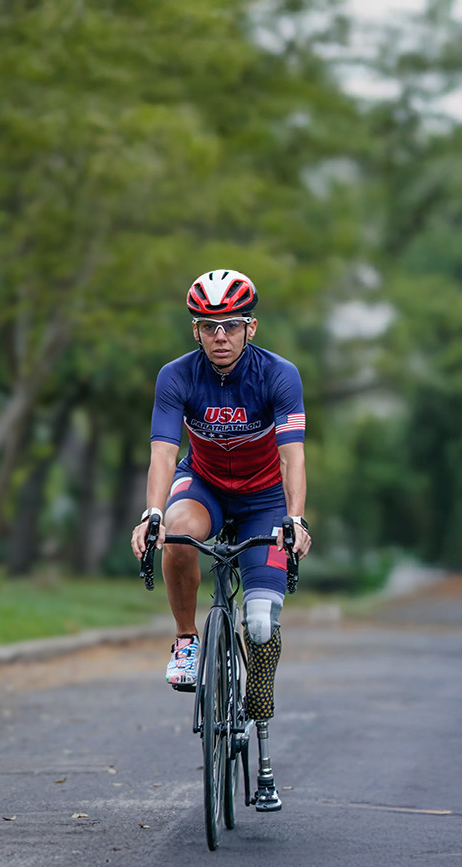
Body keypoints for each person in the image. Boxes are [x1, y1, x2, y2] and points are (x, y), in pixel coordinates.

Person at [129, 269, 313, 812]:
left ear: (250, 328)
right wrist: (153, 512)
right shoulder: (176, 377)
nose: (220, 337)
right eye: (209, 327)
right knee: (178, 534)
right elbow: (164, 450)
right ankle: (188, 638)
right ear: (196, 332)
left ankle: (260, 732)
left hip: (265, 501)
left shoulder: (280, 375)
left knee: (260, 624)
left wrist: (295, 519)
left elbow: (292, 456)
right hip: (204, 485)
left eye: (231, 326)